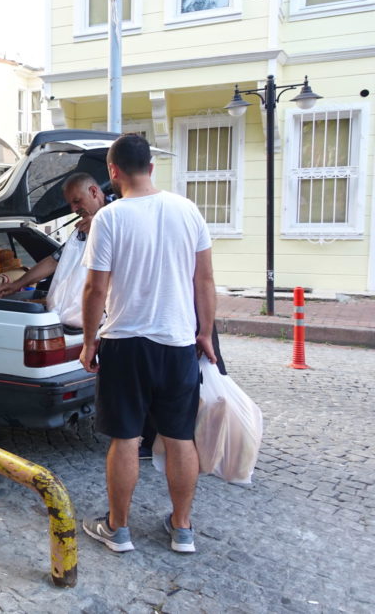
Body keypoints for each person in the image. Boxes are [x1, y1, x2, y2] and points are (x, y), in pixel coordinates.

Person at [79, 133, 216, 555]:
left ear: (113, 171)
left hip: (125, 343)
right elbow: (205, 280)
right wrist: (205, 334)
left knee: (126, 440)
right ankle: (183, 528)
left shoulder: (110, 218)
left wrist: (88, 343)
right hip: (177, 343)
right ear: (151, 167)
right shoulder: (188, 210)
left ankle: (118, 530)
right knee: (179, 438)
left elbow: (94, 291)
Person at [0, 173, 106, 330]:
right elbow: (54, 260)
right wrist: (17, 284)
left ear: (94, 192)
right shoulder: (83, 229)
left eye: (77, 201)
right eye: (71, 204)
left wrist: (101, 223)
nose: (74, 209)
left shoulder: (120, 213)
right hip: (86, 319)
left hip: (116, 320)